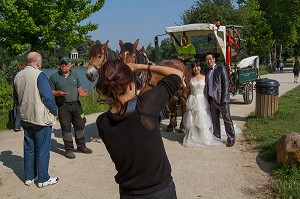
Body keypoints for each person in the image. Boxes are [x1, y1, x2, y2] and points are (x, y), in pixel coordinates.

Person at [95, 59, 183, 198]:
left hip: (128, 193)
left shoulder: (102, 122)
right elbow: (177, 73)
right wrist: (140, 66)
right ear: (131, 85)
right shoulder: (146, 105)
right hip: (160, 191)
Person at [14, 52, 59, 187]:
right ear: (38, 63)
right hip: (40, 118)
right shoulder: (39, 75)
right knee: (43, 149)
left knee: (29, 148)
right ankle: (43, 179)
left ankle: (29, 177)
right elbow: (47, 97)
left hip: (25, 117)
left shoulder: (18, 76)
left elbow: (16, 98)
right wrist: (55, 110)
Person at [49, 57, 92, 159]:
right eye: (61, 63)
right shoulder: (54, 77)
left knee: (80, 124)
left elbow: (79, 87)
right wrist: (58, 93)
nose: (63, 65)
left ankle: (81, 146)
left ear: (70, 65)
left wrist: (81, 92)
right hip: (63, 105)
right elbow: (50, 91)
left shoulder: (75, 75)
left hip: (76, 104)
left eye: (65, 63)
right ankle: (69, 149)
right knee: (66, 127)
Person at [205, 53, 236, 147]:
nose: (208, 61)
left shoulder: (221, 68)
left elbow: (226, 84)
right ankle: (216, 136)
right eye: (207, 59)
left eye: (210, 59)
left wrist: (225, 99)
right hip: (212, 100)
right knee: (215, 120)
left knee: (227, 119)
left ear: (214, 59)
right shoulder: (207, 72)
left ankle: (231, 138)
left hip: (222, 99)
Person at [12, 63, 26, 132]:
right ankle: (20, 125)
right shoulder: (22, 76)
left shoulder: (15, 76)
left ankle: (17, 126)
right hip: (21, 95)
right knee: (22, 110)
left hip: (16, 95)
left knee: (18, 111)